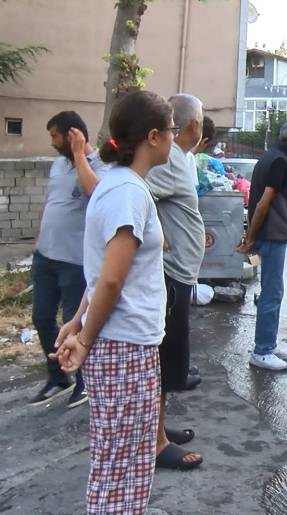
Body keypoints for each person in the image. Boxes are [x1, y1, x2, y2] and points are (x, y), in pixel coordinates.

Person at [51, 90, 173, 514]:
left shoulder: (118, 185)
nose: (173, 138)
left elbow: (103, 273)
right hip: (124, 348)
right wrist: (82, 338)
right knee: (124, 466)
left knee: (116, 461)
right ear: (153, 137)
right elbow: (111, 279)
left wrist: (78, 322)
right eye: (171, 130)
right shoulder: (127, 193)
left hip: (121, 343)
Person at [144, 93, 206, 470]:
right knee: (165, 362)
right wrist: (158, 234)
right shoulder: (169, 163)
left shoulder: (182, 159)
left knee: (170, 363)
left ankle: (161, 429)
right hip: (170, 275)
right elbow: (139, 192)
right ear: (194, 126)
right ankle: (156, 443)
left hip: (180, 274)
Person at [29, 111, 106, 408]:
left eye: (55, 136)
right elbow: (51, 202)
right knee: (41, 317)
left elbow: (95, 193)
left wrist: (79, 154)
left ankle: (84, 384)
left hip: (75, 261)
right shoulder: (58, 166)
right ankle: (59, 376)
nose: (52, 142)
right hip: (45, 256)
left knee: (75, 323)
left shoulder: (100, 165)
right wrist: (38, 237)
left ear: (73, 134)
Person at [237, 119, 287, 370]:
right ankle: (263, 350)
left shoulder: (274, 157)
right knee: (272, 292)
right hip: (271, 235)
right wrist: (251, 238)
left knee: (272, 290)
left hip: (268, 234)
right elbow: (262, 203)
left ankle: (269, 342)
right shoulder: (279, 161)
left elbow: (259, 197)